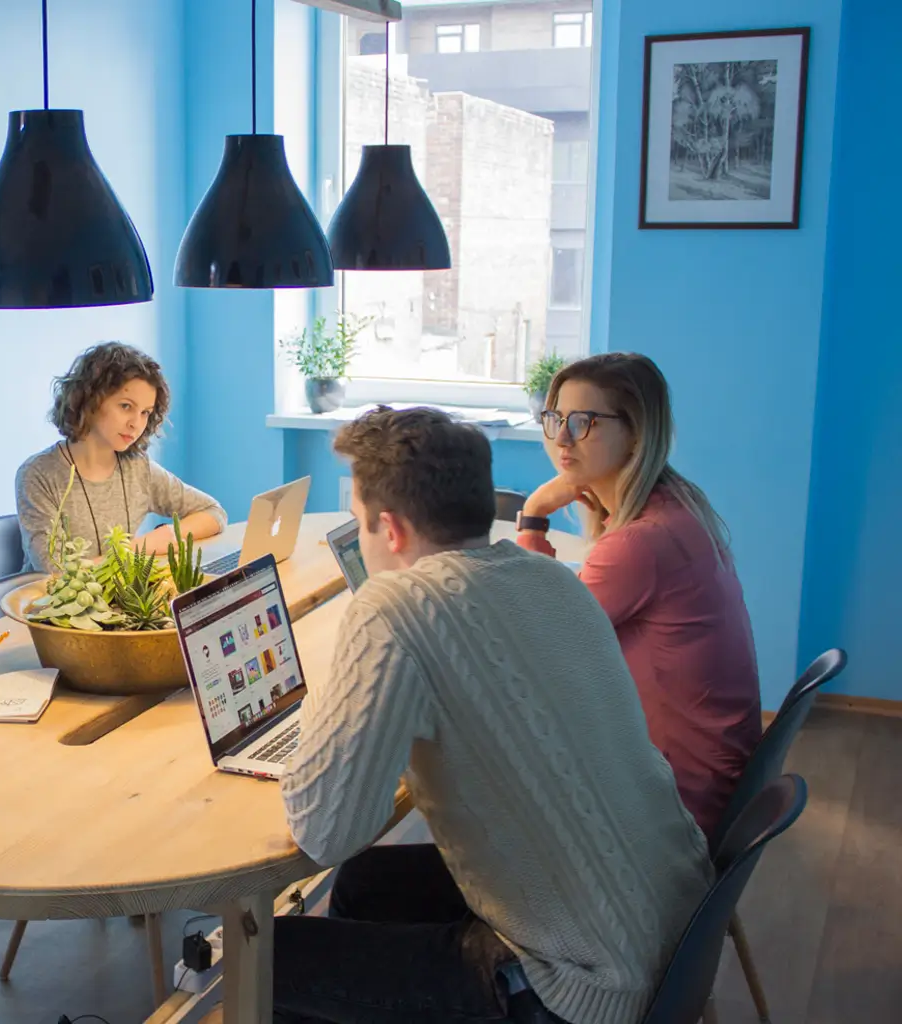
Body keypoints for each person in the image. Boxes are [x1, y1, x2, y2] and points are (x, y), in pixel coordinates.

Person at [276, 406, 712, 1024]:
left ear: (391, 530)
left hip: (581, 989)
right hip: (673, 932)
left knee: (266, 956)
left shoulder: (395, 608)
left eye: (359, 522)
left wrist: (329, 689)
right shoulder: (551, 577)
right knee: (363, 881)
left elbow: (323, 831)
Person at [515, 352, 761, 837]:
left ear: (635, 433)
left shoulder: (639, 543)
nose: (562, 437)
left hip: (673, 809)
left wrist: (532, 516)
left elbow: (534, 647)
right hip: (705, 778)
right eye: (556, 418)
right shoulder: (675, 504)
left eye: (585, 422)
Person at [15, 342, 225, 571]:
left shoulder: (138, 468)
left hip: (115, 601)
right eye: (126, 406)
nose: (136, 423)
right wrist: (138, 549)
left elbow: (213, 513)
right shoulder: (38, 474)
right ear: (89, 400)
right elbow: (54, 570)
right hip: (51, 603)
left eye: (145, 412)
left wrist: (166, 535)